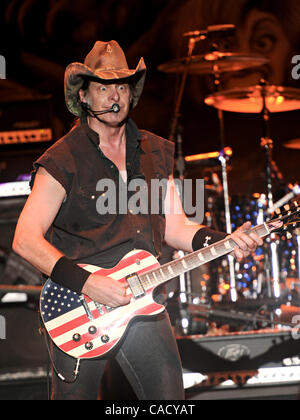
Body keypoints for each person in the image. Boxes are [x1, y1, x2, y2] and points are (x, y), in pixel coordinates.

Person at [12, 40, 263, 400]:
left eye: (122, 86)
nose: (114, 95)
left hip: (141, 295)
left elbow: (176, 227)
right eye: (102, 87)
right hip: (79, 305)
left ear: (132, 93)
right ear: (83, 96)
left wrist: (226, 240)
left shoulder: (155, 152)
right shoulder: (62, 160)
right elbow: (24, 239)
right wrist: (88, 284)